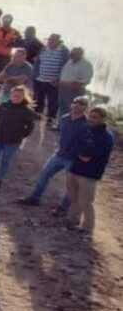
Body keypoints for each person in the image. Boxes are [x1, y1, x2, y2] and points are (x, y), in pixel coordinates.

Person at [17, 96, 89, 208]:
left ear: (85, 108)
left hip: (73, 159)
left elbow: (87, 143)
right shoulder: (64, 118)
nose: (77, 106)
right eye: (76, 103)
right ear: (71, 105)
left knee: (70, 184)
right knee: (44, 175)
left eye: (81, 104)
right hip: (59, 154)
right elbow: (62, 134)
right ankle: (35, 198)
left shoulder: (87, 125)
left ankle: (64, 208)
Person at [66, 106, 114, 237]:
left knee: (85, 203)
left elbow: (90, 155)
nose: (91, 119)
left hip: (89, 174)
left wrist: (80, 152)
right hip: (75, 169)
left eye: (95, 117)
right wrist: (79, 153)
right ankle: (72, 220)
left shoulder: (106, 137)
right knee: (73, 198)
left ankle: (87, 229)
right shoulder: (84, 129)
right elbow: (71, 146)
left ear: (103, 119)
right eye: (90, 116)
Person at [0, 85, 36, 190]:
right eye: (14, 95)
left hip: (13, 142)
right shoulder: (4, 106)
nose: (16, 98)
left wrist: (20, 135)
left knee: (5, 161)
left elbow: (30, 127)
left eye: (19, 96)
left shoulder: (27, 112)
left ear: (23, 97)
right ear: (10, 95)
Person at [33, 33, 69, 128]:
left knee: (53, 100)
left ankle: (51, 118)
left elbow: (66, 67)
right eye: (49, 41)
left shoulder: (63, 52)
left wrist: (59, 78)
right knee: (38, 97)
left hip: (53, 81)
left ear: (58, 42)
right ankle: (37, 113)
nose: (50, 43)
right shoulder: (43, 49)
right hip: (40, 78)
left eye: (52, 41)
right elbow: (38, 61)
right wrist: (35, 74)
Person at [57, 47, 94, 125]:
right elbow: (64, 73)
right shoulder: (69, 62)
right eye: (71, 53)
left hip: (75, 91)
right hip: (63, 89)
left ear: (80, 54)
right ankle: (61, 125)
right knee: (62, 108)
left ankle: (71, 126)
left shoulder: (86, 65)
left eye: (74, 54)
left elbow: (86, 80)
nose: (72, 55)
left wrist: (73, 85)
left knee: (73, 109)